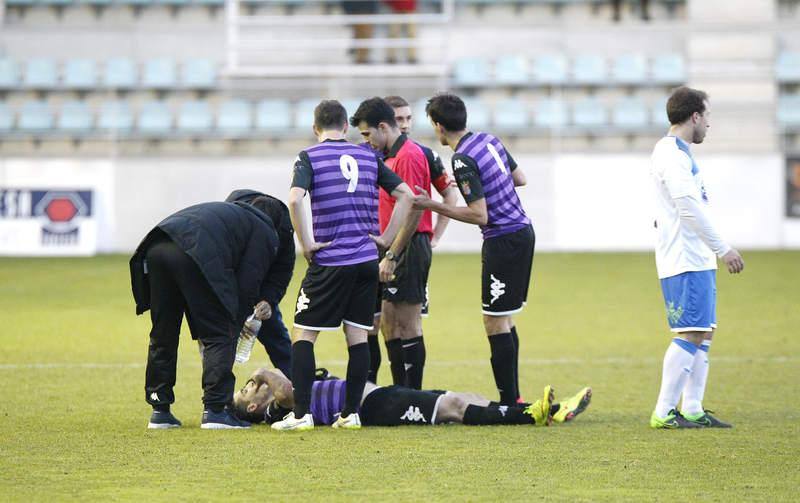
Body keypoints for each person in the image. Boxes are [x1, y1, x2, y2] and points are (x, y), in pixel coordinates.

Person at [272, 99, 419, 431]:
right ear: (346, 127)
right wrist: (384, 239)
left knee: (303, 335)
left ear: (315, 128)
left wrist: (306, 243)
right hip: (366, 261)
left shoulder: (309, 156)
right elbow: (407, 195)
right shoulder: (367, 155)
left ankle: (300, 415)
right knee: (357, 335)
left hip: (330, 260)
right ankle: (350, 414)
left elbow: (295, 199)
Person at [130, 196, 294, 429]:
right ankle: (215, 411)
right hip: (195, 252)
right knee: (220, 331)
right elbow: (248, 284)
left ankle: (160, 411)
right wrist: (235, 328)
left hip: (157, 245)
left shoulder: (233, 213)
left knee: (163, 334)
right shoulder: (264, 229)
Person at [413, 93, 534, 407]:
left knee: (494, 319)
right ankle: (514, 397)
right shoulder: (489, 140)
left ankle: (508, 402)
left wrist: (431, 204)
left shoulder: (463, 158)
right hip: (523, 232)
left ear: (439, 126)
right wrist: (484, 183)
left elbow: (480, 215)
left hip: (503, 239)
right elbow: (520, 178)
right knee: (504, 317)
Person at [648, 86, 744, 429]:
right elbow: (687, 209)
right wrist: (724, 248)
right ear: (695, 116)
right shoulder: (671, 156)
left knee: (704, 332)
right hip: (685, 258)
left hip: (696, 258)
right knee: (690, 333)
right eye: (708, 117)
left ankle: (692, 407)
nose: (709, 125)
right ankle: (663, 412)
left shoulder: (677, 151)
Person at [363, 95, 458, 387]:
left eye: (407, 119)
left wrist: (434, 237)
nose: (403, 125)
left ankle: (409, 393)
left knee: (406, 321)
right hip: (378, 248)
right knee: (378, 325)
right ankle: (388, 390)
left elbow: (447, 195)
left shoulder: (419, 154)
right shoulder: (371, 154)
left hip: (404, 246)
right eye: (398, 119)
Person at [350, 97, 434, 390]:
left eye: (366, 134)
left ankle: (414, 397)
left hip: (408, 245)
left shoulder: (409, 156)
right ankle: (399, 391)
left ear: (383, 127)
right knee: (388, 323)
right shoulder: (387, 155)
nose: (366, 141)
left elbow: (415, 207)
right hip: (392, 247)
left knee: (408, 322)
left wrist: (393, 254)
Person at [232, 366, 592, 428]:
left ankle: (551, 410)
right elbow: (288, 390)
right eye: (250, 388)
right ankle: (533, 415)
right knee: (452, 408)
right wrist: (262, 372)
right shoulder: (276, 412)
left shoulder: (277, 401)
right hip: (372, 407)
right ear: (253, 405)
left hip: (377, 395)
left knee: (459, 396)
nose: (256, 383)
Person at [225, 189, 294, 377]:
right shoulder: (232, 216)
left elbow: (282, 271)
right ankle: (217, 402)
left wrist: (268, 300)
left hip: (260, 285)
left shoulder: (284, 230)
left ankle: (300, 391)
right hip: (232, 283)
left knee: (276, 336)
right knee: (222, 342)